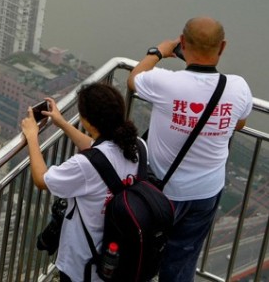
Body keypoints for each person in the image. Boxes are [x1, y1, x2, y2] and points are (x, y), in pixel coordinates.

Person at [128, 16, 253, 282]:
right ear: (222, 47)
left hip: (161, 192)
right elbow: (239, 122)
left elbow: (134, 79)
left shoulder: (166, 83)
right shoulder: (238, 87)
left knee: (139, 252)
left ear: (182, 43)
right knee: (182, 262)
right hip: (206, 193)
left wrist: (158, 51)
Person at [21, 83, 143, 282]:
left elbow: (42, 180)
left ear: (87, 122)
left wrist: (32, 137)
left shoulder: (85, 165)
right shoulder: (137, 146)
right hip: (121, 254)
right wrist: (61, 123)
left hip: (85, 264)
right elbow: (99, 150)